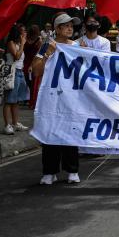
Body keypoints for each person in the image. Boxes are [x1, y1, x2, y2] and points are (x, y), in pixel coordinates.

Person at [32, 12, 82, 185]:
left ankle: (72, 170)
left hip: (71, 97)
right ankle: (49, 171)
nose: (70, 29)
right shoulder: (47, 45)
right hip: (51, 97)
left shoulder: (77, 46)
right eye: (66, 26)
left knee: (70, 132)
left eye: (71, 26)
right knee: (50, 132)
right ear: (57, 28)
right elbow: (36, 70)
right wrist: (47, 54)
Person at [1, 23, 30, 135]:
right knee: (9, 100)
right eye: (23, 31)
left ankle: (15, 123)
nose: (25, 33)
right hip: (12, 74)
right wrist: (22, 44)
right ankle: (7, 125)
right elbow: (17, 56)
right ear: (18, 33)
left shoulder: (18, 43)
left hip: (20, 72)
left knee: (16, 100)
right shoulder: (11, 43)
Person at [23, 25, 42, 109]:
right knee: (28, 82)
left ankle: (33, 102)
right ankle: (30, 101)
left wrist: (32, 64)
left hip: (33, 62)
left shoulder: (39, 40)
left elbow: (38, 53)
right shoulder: (26, 38)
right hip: (25, 61)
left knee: (34, 83)